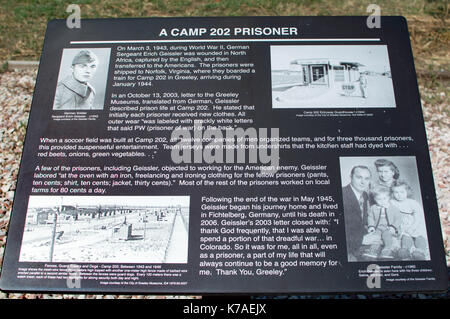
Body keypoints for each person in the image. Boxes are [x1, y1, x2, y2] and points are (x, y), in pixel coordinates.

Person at [390, 180, 429, 260]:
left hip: (415, 224)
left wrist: (412, 227)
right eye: (396, 192)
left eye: (402, 192)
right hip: (402, 225)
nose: (399, 195)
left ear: (407, 191)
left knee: (419, 237)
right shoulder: (392, 202)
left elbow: (418, 217)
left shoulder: (412, 202)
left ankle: (420, 251)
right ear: (392, 193)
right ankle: (405, 250)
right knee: (405, 237)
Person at [364, 186, 402, 259]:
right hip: (377, 227)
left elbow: (398, 218)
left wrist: (393, 227)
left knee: (387, 236)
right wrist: (371, 226)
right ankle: (373, 250)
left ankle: (387, 250)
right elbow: (370, 217)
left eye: (384, 198)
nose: (382, 201)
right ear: (375, 199)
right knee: (375, 237)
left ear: (388, 198)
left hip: (388, 227)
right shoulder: (373, 208)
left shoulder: (393, 208)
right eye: (379, 199)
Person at [342, 165, 371, 261]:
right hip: (348, 248)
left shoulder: (365, 195)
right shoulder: (342, 194)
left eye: (366, 178)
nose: (363, 182)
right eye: (359, 177)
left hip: (360, 245)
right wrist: (361, 240)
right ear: (351, 177)